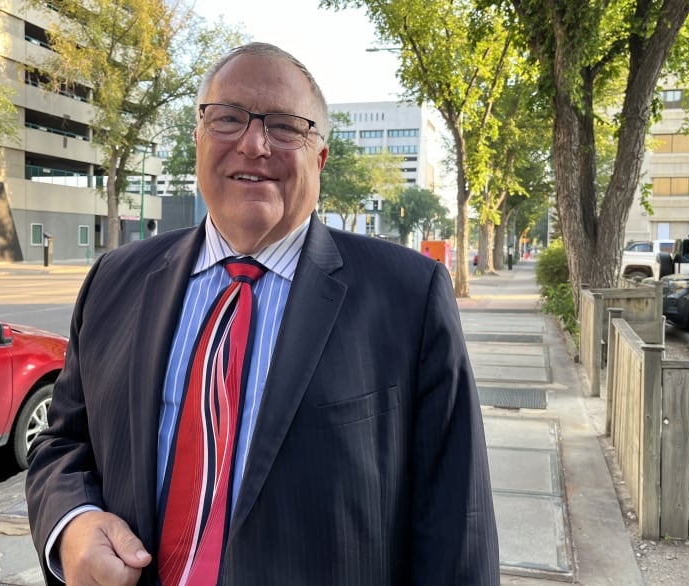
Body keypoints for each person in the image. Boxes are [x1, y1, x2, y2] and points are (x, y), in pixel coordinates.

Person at [26, 42, 499, 585]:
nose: (253, 144)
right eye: (227, 118)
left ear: (319, 157)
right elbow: (63, 441)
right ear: (199, 139)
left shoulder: (409, 296)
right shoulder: (114, 280)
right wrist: (72, 522)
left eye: (284, 126)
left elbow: (456, 519)